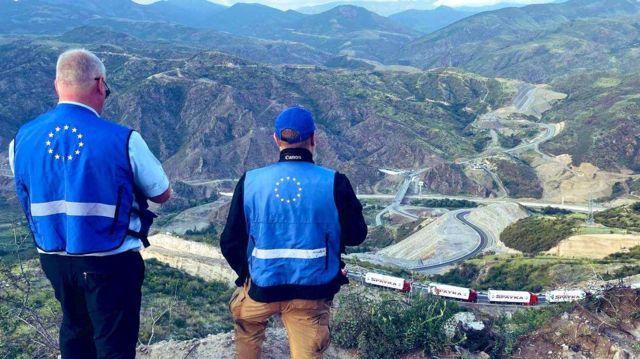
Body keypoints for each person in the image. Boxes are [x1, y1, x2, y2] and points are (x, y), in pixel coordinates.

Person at [10, 49, 171, 359]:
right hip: (110, 261)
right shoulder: (124, 139)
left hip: (54, 259)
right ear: (101, 85)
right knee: (114, 343)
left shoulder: (21, 139)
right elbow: (162, 193)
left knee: (73, 332)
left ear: (57, 84)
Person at [221, 106, 367, 359]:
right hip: (311, 292)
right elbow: (356, 235)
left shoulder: (251, 181)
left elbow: (230, 241)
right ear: (313, 139)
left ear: (276, 140)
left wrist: (247, 276)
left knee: (248, 333)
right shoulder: (334, 182)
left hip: (260, 289)